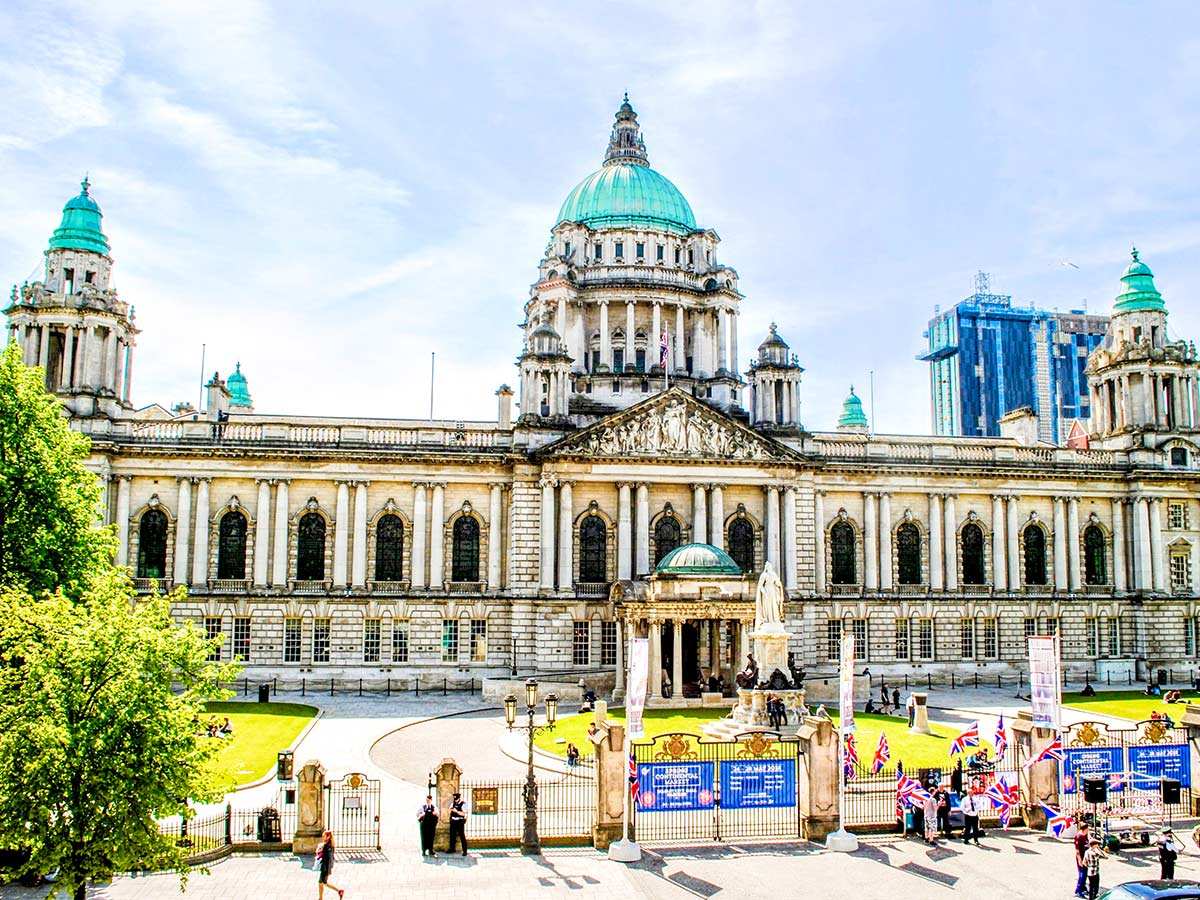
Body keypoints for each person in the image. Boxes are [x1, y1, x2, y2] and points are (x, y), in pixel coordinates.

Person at [315, 829, 344, 899]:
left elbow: (322, 855)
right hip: (327, 867)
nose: (322, 837)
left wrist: (319, 850)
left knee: (322, 883)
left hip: (325, 867)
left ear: (328, 837)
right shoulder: (330, 845)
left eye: (323, 836)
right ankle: (321, 897)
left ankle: (339, 891)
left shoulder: (326, 847)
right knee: (322, 883)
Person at [448, 792, 469, 857]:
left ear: (459, 798)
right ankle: (452, 849)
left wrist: (456, 811)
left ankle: (465, 851)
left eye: (456, 799)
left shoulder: (463, 804)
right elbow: (449, 811)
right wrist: (450, 810)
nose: (455, 800)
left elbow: (464, 814)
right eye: (455, 799)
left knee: (462, 836)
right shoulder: (452, 803)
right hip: (453, 821)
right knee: (452, 835)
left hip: (459, 821)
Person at [1074, 820, 1091, 898]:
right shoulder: (1079, 836)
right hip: (1081, 857)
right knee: (1082, 874)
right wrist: (1080, 860)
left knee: (1085, 873)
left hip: (1086, 857)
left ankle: (1083, 888)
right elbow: (1077, 850)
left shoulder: (1085, 835)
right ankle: (1078, 890)